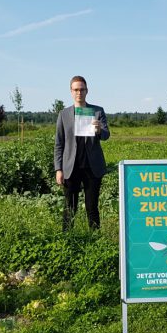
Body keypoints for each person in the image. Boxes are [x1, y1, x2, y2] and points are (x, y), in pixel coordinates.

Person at [54, 75, 110, 230]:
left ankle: (95, 241)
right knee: (69, 207)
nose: (79, 92)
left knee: (92, 207)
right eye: (76, 89)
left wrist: (99, 130)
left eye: (82, 89)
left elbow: (106, 135)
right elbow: (59, 143)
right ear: (71, 92)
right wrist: (58, 169)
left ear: (87, 91)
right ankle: (67, 240)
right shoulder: (64, 114)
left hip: (92, 167)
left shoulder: (97, 111)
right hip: (71, 168)